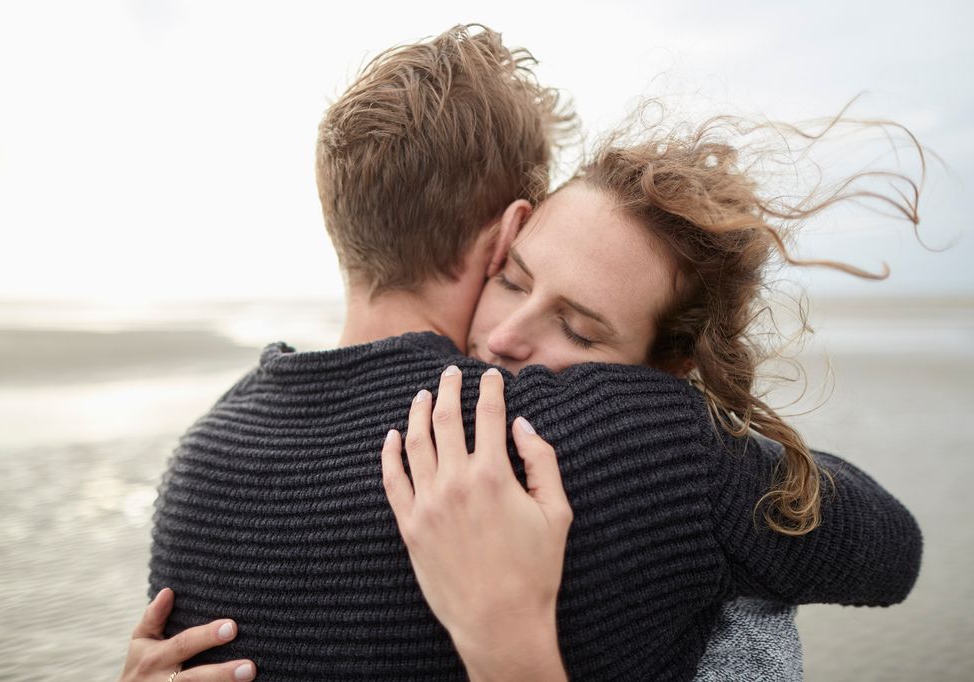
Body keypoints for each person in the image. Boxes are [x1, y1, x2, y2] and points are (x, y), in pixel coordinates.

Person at [121, 26, 919, 682]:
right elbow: (891, 551)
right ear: (508, 232)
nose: (505, 340)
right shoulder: (645, 443)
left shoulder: (198, 464)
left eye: (580, 328)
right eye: (514, 279)